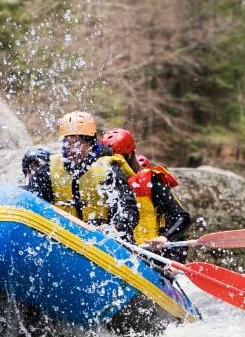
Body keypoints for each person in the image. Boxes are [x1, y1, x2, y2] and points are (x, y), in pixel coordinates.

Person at [23, 111, 139, 241]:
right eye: (67, 143)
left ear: (91, 144)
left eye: (77, 143)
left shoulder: (108, 170)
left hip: (102, 242)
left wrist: (114, 230)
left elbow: (129, 210)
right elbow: (31, 199)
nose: (71, 149)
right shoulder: (48, 170)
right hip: (65, 239)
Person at [100, 128, 192, 260]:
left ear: (130, 155)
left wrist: (165, 237)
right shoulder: (103, 181)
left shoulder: (152, 182)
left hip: (153, 256)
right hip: (122, 253)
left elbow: (183, 218)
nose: (114, 166)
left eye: (117, 160)